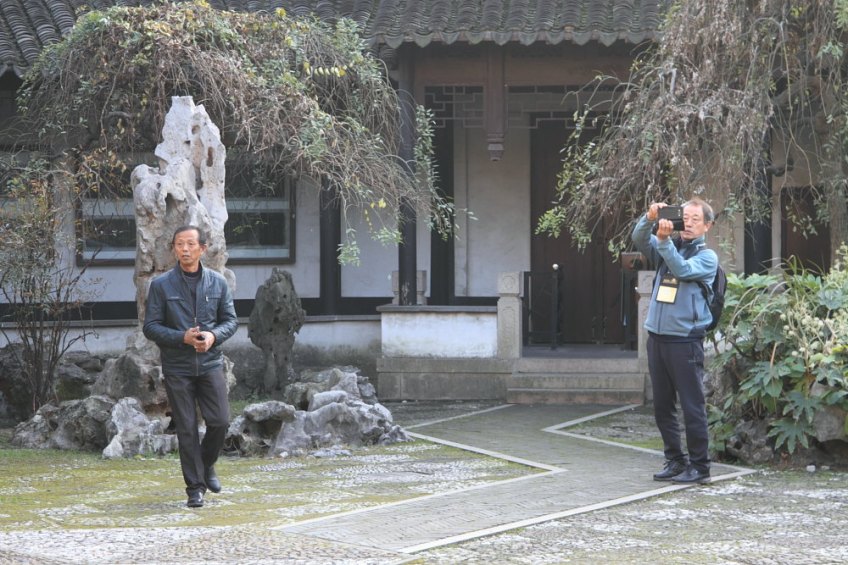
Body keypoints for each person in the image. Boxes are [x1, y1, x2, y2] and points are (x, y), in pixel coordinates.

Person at [143, 225, 238, 507]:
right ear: (174, 249)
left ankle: (206, 465)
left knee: (220, 421)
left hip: (210, 363)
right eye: (179, 244)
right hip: (178, 366)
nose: (184, 249)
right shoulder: (161, 285)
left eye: (190, 244)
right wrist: (181, 338)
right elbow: (150, 327)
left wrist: (213, 336)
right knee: (186, 428)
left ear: (202, 249)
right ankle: (195, 488)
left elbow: (231, 321)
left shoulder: (218, 282)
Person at [631, 198, 718, 484]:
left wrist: (664, 241)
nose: (688, 223)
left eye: (696, 219)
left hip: (685, 341)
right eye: (685, 217)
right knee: (662, 405)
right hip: (657, 337)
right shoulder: (667, 245)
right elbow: (638, 238)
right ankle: (675, 460)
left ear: (707, 225)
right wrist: (649, 218)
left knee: (692, 406)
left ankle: (700, 467)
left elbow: (682, 270)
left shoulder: (707, 257)